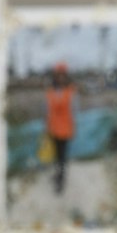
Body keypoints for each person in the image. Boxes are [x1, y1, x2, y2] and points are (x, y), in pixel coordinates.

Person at [44, 64, 76, 197]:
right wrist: (46, 126)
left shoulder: (70, 91)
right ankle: (57, 175)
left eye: (63, 75)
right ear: (55, 76)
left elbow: (74, 110)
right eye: (58, 75)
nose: (60, 78)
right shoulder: (51, 92)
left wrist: (74, 127)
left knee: (62, 157)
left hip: (65, 130)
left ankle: (61, 181)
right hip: (53, 129)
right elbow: (47, 110)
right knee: (56, 156)